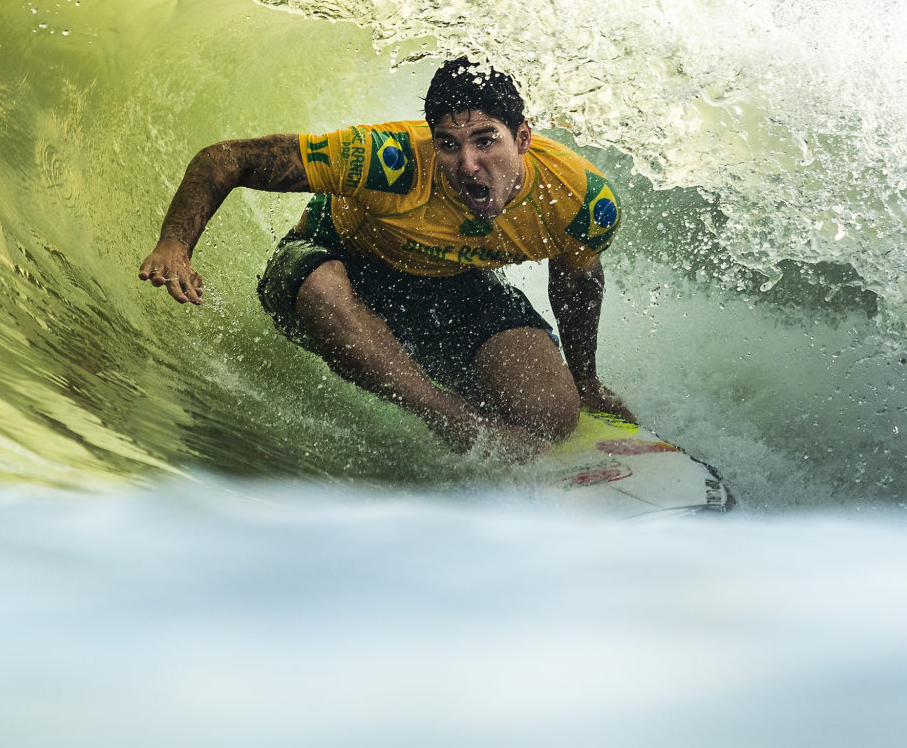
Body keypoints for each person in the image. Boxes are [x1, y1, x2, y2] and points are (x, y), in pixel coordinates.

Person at [137, 58, 631, 460]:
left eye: (486, 140)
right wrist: (175, 245)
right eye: (448, 145)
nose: (467, 165)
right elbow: (226, 159)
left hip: (451, 284)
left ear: (522, 137)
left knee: (550, 417)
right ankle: (445, 414)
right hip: (335, 263)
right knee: (323, 288)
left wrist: (584, 376)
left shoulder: (579, 199)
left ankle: (445, 374)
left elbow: (577, 276)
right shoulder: (385, 159)